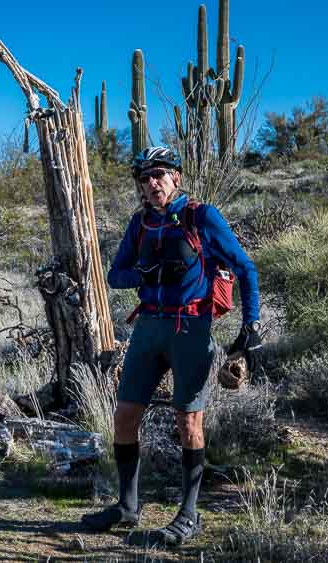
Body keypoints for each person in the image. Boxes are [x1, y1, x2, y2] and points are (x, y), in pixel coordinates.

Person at [80, 146, 262, 545]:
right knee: (125, 415)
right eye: (144, 177)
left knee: (188, 422)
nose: (152, 182)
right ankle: (127, 506)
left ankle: (188, 514)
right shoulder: (139, 223)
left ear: (176, 176)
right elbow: (115, 276)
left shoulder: (201, 216)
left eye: (159, 174)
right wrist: (144, 272)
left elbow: (246, 267)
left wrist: (252, 326)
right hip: (148, 327)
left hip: (190, 328)